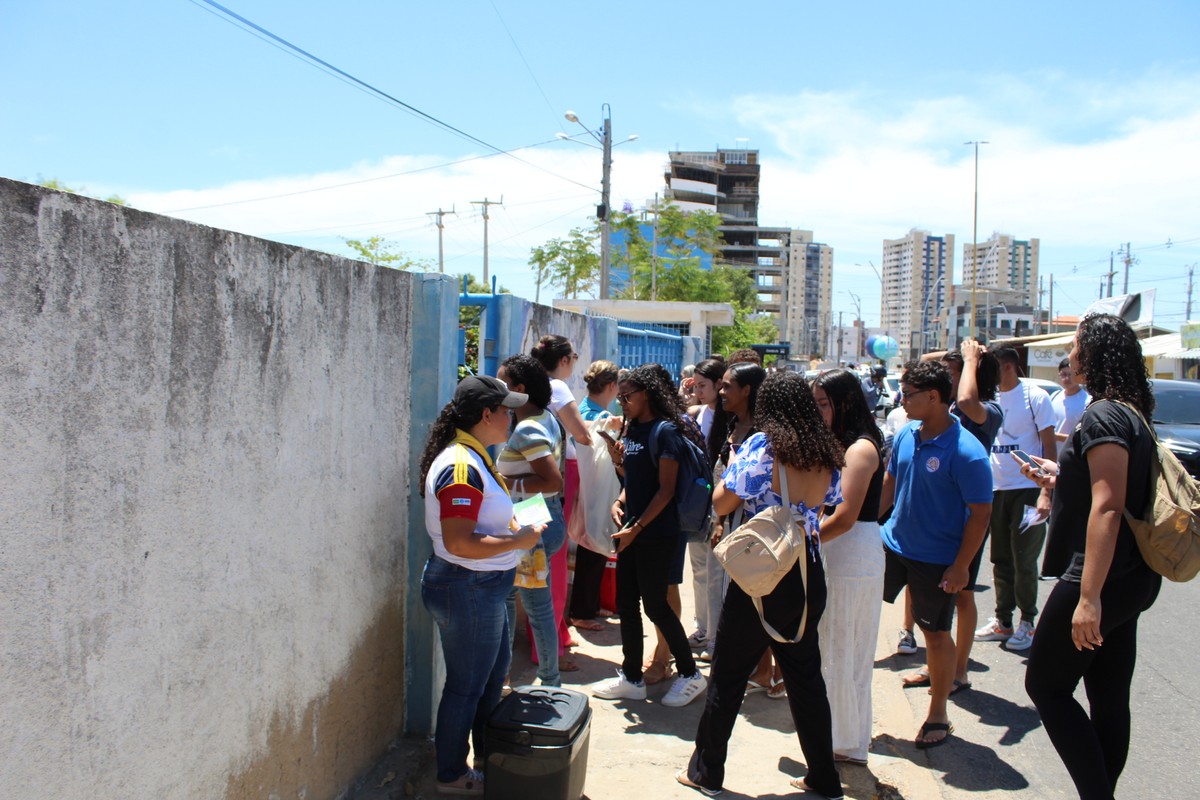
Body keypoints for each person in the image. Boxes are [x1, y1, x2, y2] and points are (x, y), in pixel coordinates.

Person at [678, 371, 846, 799]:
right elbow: (828, 504)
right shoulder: (827, 452)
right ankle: (824, 778)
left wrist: (731, 472)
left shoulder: (761, 446)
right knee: (806, 677)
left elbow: (722, 503)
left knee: (729, 675)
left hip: (762, 571)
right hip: (807, 569)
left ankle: (704, 772)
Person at [1023, 313, 1161, 800]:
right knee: (1107, 695)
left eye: (1077, 345)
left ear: (1096, 353)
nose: (1070, 356)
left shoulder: (1103, 414)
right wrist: (1060, 477)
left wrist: (1087, 597)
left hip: (1103, 577)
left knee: (1046, 687)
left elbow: (1109, 505)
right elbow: (1108, 488)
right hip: (1134, 577)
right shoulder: (1132, 413)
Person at [419, 376, 545, 796]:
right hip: (467, 587)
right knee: (467, 686)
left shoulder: (477, 457)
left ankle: (487, 761)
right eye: (507, 410)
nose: (513, 417)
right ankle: (452, 775)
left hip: (484, 586)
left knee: (489, 681)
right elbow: (458, 541)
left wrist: (515, 526)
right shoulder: (461, 465)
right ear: (486, 415)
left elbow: (479, 522)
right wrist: (519, 540)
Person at [880, 360, 992, 748]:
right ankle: (932, 672)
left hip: (936, 559)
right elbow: (890, 484)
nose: (902, 401)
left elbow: (981, 514)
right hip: (893, 544)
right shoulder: (907, 434)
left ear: (934, 397)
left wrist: (961, 566)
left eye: (908, 395)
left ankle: (938, 713)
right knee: (859, 604)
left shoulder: (967, 452)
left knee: (936, 632)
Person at [590, 365, 708, 708]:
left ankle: (690, 674)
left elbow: (666, 490)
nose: (622, 402)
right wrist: (618, 496)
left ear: (647, 395)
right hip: (630, 531)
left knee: (656, 605)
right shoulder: (634, 429)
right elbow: (636, 482)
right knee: (627, 604)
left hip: (656, 532)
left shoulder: (665, 432)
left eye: (628, 396)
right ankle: (631, 678)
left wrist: (637, 528)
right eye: (620, 396)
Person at [899, 340, 1002, 699]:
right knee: (933, 615)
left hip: (958, 530)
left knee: (962, 597)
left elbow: (969, 403)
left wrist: (971, 358)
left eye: (955, 374)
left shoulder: (987, 411)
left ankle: (958, 672)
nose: (951, 381)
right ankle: (938, 666)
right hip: (921, 529)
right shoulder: (911, 430)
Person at [812, 368, 886, 766]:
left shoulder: (860, 448)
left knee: (846, 650)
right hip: (843, 549)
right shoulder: (845, 443)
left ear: (844, 403)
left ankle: (844, 745)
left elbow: (843, 517)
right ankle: (841, 740)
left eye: (824, 404)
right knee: (834, 648)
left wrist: (801, 542)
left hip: (852, 550)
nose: (819, 411)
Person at [974, 346, 1056, 652]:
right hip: (996, 492)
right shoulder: (989, 398)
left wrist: (1046, 494)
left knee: (1024, 560)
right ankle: (1003, 621)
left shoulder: (1035, 397)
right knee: (1000, 560)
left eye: (992, 368)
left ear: (1007, 367)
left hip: (1028, 491)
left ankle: (1028, 624)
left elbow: (1049, 447)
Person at [495, 355, 566, 686]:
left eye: (501, 382)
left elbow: (553, 481)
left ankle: (550, 684)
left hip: (532, 521)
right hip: (539, 517)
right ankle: (505, 676)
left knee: (537, 610)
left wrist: (506, 484)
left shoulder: (528, 428)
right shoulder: (545, 417)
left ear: (519, 389)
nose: (497, 389)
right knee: (512, 598)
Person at [530, 336, 592, 668]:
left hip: (525, 480)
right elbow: (581, 433)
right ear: (565, 360)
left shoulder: (527, 386)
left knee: (537, 554)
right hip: (556, 478)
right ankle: (548, 650)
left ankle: (552, 636)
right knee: (552, 559)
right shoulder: (557, 388)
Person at [569, 359, 621, 630]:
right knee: (591, 547)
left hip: (593, 489)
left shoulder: (592, 409)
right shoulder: (591, 414)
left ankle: (587, 606)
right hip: (591, 490)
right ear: (612, 385)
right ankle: (581, 612)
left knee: (595, 546)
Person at [684, 357, 730, 659]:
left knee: (718, 572)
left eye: (704, 385)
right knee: (699, 568)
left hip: (721, 504)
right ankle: (703, 628)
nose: (698, 391)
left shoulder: (732, 420)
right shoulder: (695, 413)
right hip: (697, 502)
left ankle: (717, 635)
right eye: (695, 385)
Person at [1050, 356, 1090, 442]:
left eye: (1070, 374)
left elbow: (1084, 437)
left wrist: (1055, 436)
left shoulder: (1087, 402)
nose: (1067, 379)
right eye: (1064, 374)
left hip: (1071, 454)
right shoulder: (1054, 396)